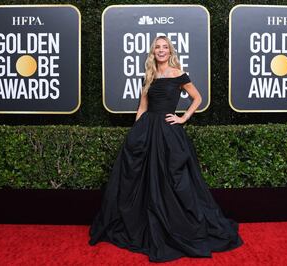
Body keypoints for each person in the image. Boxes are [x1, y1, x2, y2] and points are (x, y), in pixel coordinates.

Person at [89, 36, 243, 262]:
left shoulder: (178, 73)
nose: (161, 51)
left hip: (169, 133)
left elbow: (197, 97)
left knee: (174, 178)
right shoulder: (149, 75)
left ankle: (176, 223)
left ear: (170, 51)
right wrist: (135, 134)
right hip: (147, 131)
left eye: (165, 47)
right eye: (157, 47)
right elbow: (142, 107)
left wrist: (184, 118)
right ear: (153, 52)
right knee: (140, 177)